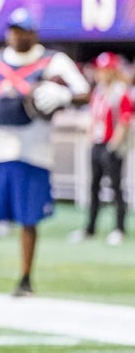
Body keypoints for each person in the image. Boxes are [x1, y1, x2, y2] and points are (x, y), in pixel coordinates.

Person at [0, 8, 89, 296]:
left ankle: (25, 278)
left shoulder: (53, 60)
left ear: (33, 33)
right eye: (13, 31)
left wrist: (64, 95)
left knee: (29, 219)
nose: (17, 36)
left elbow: (84, 92)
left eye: (22, 31)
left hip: (34, 149)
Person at [69, 51, 132, 246]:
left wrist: (114, 144)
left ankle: (119, 228)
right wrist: (91, 137)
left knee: (116, 187)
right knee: (93, 187)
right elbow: (94, 117)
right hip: (97, 143)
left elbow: (124, 121)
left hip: (111, 146)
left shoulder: (121, 93)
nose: (101, 74)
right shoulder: (98, 92)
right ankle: (90, 228)